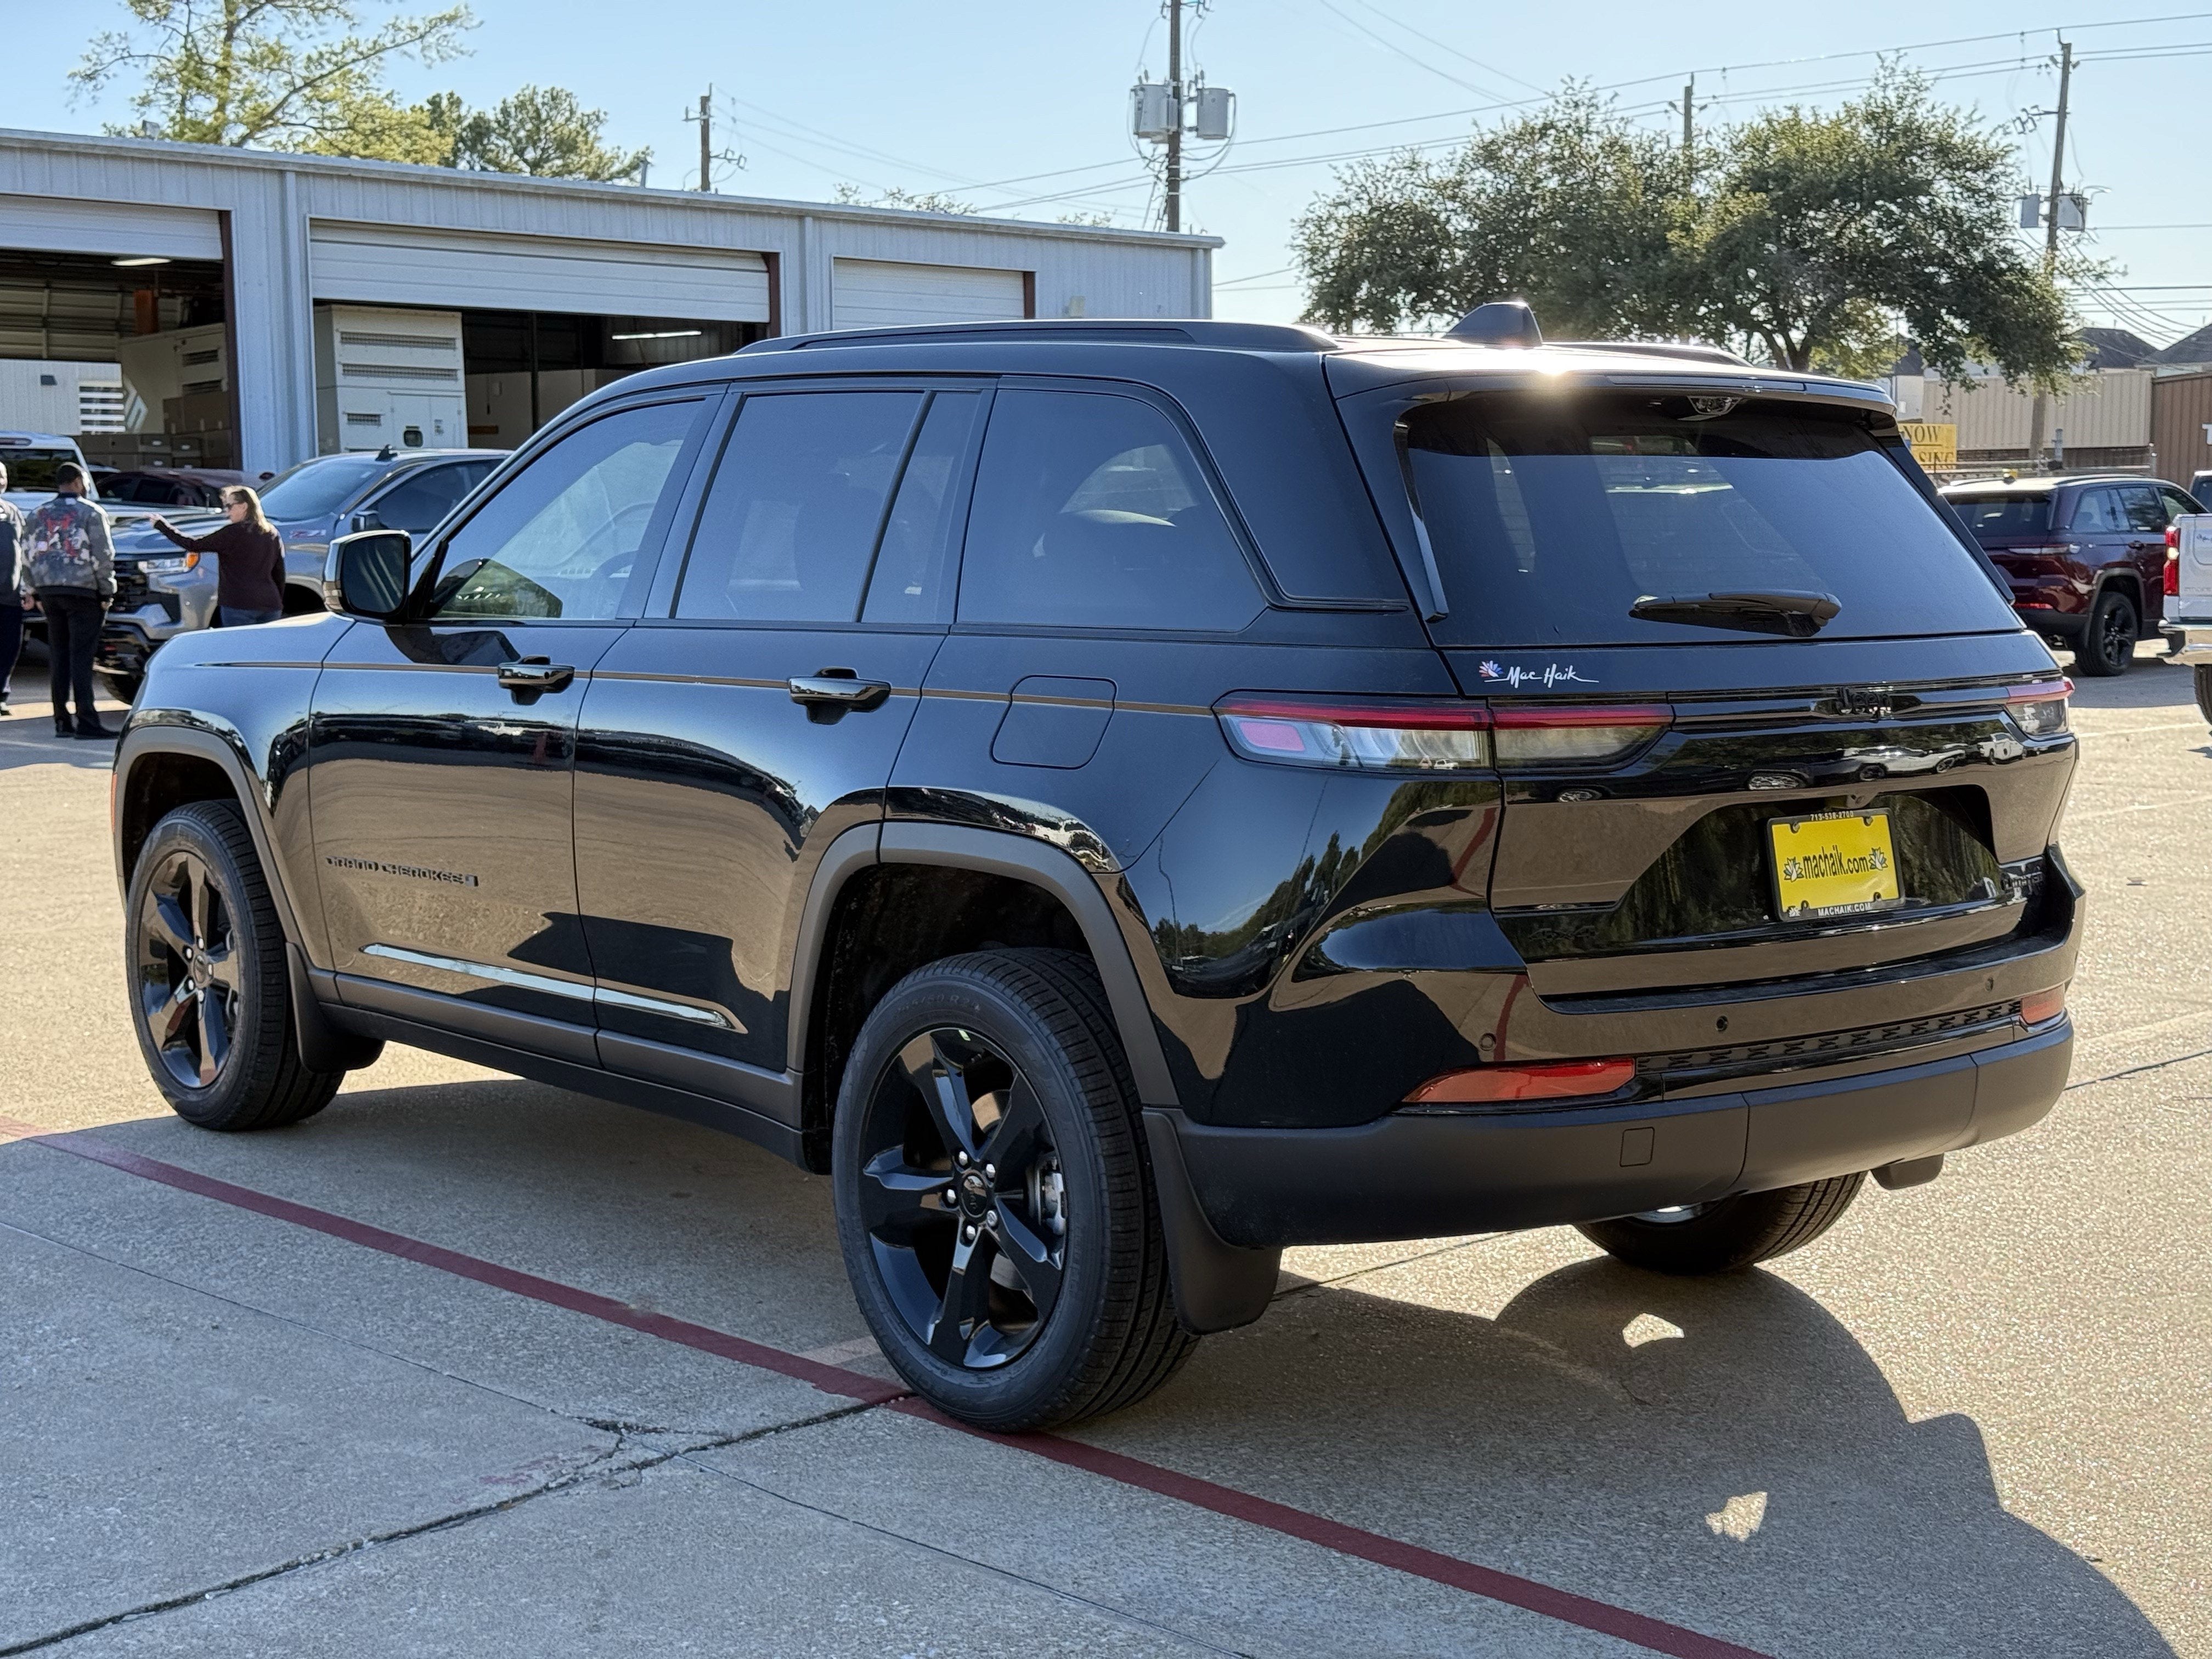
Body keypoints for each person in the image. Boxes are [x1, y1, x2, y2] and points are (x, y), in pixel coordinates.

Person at [23, 461, 115, 739]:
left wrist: (35, 590)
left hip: (49, 591)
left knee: (59, 655)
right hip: (84, 591)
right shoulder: (91, 512)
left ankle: (62, 721)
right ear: (78, 481)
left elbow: (27, 554)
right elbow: (103, 555)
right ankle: (87, 721)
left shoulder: (37, 513)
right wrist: (106, 591)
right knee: (81, 657)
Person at [153, 484, 286, 627]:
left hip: (239, 605)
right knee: (265, 648)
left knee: (237, 647)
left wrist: (162, 526)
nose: (227, 512)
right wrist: (278, 601)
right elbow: (279, 573)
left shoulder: (232, 533)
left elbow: (193, 545)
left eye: (230, 506)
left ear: (244, 506)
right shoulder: (272, 532)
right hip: (271, 605)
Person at [0, 465, 24, 716]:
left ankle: (1, 695)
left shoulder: (13, 512)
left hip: (10, 594)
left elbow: (25, 549)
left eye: (3, 477)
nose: (0, 481)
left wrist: (27, 587)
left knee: (9, 646)